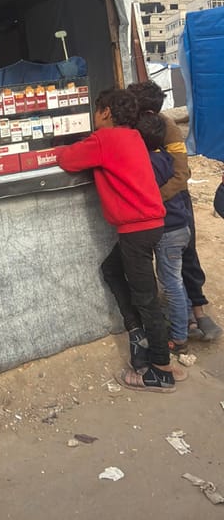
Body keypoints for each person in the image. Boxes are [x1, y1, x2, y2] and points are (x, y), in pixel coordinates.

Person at [55, 88, 183, 393]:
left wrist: (55, 149)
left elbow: (69, 160)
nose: (95, 115)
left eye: (97, 110)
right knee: (112, 270)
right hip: (151, 224)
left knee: (146, 297)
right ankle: (142, 338)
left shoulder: (104, 140)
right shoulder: (133, 136)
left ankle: (162, 370)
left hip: (136, 229)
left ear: (107, 112)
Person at [127, 80, 222, 342]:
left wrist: (153, 200)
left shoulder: (165, 127)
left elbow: (182, 174)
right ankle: (185, 316)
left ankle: (198, 312)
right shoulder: (131, 126)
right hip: (156, 207)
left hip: (174, 203)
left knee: (186, 257)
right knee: (168, 268)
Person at [136, 111, 192, 354]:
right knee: (176, 280)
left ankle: (179, 336)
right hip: (181, 227)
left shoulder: (148, 163)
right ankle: (186, 317)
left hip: (168, 231)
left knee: (170, 283)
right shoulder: (167, 157)